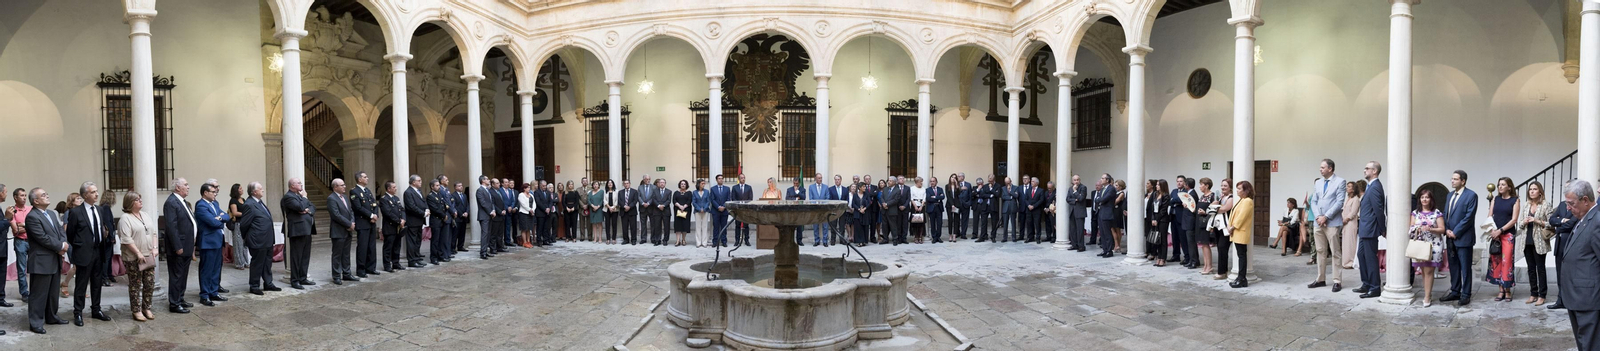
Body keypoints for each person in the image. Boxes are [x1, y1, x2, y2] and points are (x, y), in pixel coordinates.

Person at [1558, 180, 1600, 350]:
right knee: (1584, 343)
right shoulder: (1583, 218)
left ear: (1585, 200)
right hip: (1578, 297)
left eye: (1571, 203)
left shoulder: (1597, 220)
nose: (1568, 208)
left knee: (1591, 345)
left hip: (1588, 299)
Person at [65, 182, 110, 324]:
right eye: (93, 192)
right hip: (83, 252)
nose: (97, 194)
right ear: (85, 195)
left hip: (98, 250)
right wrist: (80, 246)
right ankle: (78, 312)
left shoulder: (99, 210)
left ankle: (96, 309)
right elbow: (70, 234)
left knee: (97, 283)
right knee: (81, 284)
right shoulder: (76, 212)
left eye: (97, 191)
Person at [24, 187, 67, 334]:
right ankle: (35, 322)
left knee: (53, 292)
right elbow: (42, 238)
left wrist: (63, 243)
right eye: (43, 195)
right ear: (35, 201)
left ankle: (52, 316)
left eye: (47, 194)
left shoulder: (51, 214)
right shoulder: (32, 217)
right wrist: (60, 246)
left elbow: (60, 231)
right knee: (39, 294)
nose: (47, 196)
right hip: (41, 261)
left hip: (54, 258)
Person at [116, 191, 156, 321]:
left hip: (148, 255)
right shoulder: (125, 218)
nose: (140, 201)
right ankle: (136, 310)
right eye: (137, 199)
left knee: (149, 283)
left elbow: (153, 232)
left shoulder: (145, 215)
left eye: (140, 199)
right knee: (135, 284)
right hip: (134, 257)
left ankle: (147, 307)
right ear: (130, 203)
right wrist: (138, 253)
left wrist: (155, 248)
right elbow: (126, 239)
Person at [1440, 170, 1478, 305]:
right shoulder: (1450, 195)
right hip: (1450, 237)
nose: (1452, 181)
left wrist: (1455, 232)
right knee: (1453, 266)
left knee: (1465, 267)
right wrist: (1446, 229)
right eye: (1452, 179)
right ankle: (1455, 291)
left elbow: (1469, 217)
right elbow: (1446, 213)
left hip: (1463, 238)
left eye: (1455, 179)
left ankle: (1466, 294)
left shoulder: (1471, 195)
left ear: (1463, 181)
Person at [162, 178, 197, 312]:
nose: (188, 187)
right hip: (179, 247)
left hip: (186, 245)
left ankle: (180, 298)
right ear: (177, 188)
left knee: (183, 275)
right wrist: (177, 246)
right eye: (186, 185)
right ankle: (174, 304)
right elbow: (171, 226)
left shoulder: (182, 202)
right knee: (176, 275)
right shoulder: (171, 202)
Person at [193, 183, 231, 305]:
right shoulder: (201, 205)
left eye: (216, 192)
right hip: (208, 241)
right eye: (213, 192)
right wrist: (219, 219)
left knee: (216, 268)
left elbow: (227, 216)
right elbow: (212, 222)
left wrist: (219, 218)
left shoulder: (215, 203)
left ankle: (214, 292)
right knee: (207, 269)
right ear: (205, 193)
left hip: (217, 240)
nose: (215, 194)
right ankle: (204, 295)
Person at [1519, 181, 1555, 306]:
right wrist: (1524, 221)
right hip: (1526, 241)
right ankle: (1533, 293)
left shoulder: (1545, 205)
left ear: (1540, 191)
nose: (1532, 191)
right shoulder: (1526, 205)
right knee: (1531, 269)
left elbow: (1551, 223)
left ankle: (1542, 295)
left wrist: (1536, 220)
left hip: (1539, 241)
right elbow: (1519, 224)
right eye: (1530, 189)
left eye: (1535, 189)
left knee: (1540, 269)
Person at [1354, 162, 1386, 299]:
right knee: (1361, 256)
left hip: (1370, 229)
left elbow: (1379, 210)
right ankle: (1366, 283)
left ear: (1374, 171)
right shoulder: (1370, 186)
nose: (1364, 170)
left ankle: (1375, 287)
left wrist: (1382, 228)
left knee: (1370, 258)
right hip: (1365, 228)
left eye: (1367, 168)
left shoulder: (1375, 187)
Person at [1409, 190, 1446, 307]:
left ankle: (1427, 297)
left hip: (1434, 244)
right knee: (1424, 271)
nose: (1424, 199)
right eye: (1422, 197)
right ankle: (1427, 293)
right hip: (1420, 245)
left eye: (1427, 197)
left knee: (1429, 271)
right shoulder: (1415, 213)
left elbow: (1442, 229)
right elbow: (1410, 228)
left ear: (1431, 200)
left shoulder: (1437, 213)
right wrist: (1417, 228)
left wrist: (1431, 229)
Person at [1486, 177, 1520, 302]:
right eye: (1499, 184)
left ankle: (1507, 290)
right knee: (1496, 260)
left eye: (1503, 185)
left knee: (1507, 262)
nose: (1500, 187)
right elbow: (1490, 216)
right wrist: (1493, 231)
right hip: (1496, 234)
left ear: (1509, 187)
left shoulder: (1515, 200)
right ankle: (1500, 290)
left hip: (1508, 234)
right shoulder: (1496, 199)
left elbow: (1514, 219)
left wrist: (1501, 230)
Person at [281, 178, 317, 289]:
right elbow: (300, 207)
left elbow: (312, 207)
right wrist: (305, 198)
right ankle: (295, 280)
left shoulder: (299, 196)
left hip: (307, 229)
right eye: (299, 183)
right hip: (297, 230)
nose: (301, 184)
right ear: (292, 186)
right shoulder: (288, 197)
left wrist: (306, 210)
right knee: (296, 256)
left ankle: (303, 277)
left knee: (305, 255)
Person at [1550, 181, 1579, 311]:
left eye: (1569, 187)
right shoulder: (1562, 205)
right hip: (1559, 244)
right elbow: (1551, 219)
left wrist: (1558, 228)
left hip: (1569, 243)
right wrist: (1561, 221)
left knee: (1571, 274)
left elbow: (1573, 223)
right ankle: (1560, 300)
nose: (1566, 189)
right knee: (1559, 273)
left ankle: (1571, 301)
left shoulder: (1577, 205)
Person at [326, 179, 357, 284]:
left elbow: (351, 211)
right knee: (337, 254)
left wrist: (352, 223)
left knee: (346, 254)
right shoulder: (331, 198)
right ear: (335, 187)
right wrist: (348, 224)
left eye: (344, 184)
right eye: (342, 185)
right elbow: (336, 215)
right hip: (338, 231)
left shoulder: (345, 197)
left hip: (348, 230)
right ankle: (336, 276)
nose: (344, 186)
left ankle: (347, 273)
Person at [350, 173, 380, 277]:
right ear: (359, 179)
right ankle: (361, 269)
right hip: (362, 222)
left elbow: (374, 204)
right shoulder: (354, 191)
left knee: (372, 246)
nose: (367, 178)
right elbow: (358, 207)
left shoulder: (367, 191)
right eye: (365, 177)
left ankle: (371, 267)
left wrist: (375, 215)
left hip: (371, 222)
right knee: (363, 247)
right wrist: (371, 215)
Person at [1227, 181, 1256, 289]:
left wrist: (1233, 227)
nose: (1237, 190)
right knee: (1240, 255)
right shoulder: (1242, 200)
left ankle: (1242, 278)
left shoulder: (1248, 201)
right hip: (1236, 231)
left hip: (1240, 231)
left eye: (1239, 188)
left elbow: (1241, 217)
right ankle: (1240, 277)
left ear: (1246, 190)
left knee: (1242, 256)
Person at [10, 188, 33, 303]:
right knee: (22, 269)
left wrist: (22, 225)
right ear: (15, 197)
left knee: (34, 267)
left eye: (25, 195)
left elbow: (35, 226)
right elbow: (15, 230)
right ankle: (24, 293)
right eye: (21, 196)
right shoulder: (12, 211)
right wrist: (26, 226)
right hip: (20, 241)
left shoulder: (31, 209)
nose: (24, 198)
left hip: (33, 241)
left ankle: (34, 291)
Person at [379, 181, 405, 271]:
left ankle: (396, 263)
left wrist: (403, 219)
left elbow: (402, 210)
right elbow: (387, 213)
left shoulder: (396, 198)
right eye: (394, 187)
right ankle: (387, 265)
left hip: (398, 227)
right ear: (388, 189)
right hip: (390, 227)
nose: (396, 189)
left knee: (397, 246)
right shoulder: (384, 199)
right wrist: (398, 221)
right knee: (388, 247)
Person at [426, 179, 453, 265]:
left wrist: (445, 214)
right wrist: (443, 215)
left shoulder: (439, 194)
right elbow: (435, 209)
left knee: (442, 239)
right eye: (437, 185)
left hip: (442, 220)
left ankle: (440, 255)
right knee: (435, 240)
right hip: (436, 220)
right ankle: (433, 257)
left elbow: (444, 205)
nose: (438, 187)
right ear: (432, 187)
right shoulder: (430, 196)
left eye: (438, 185)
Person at [1194, 178, 1218, 275]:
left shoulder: (1212, 196)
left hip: (1207, 223)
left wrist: (1205, 212)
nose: (1200, 186)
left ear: (1207, 185)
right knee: (1203, 245)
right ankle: (1205, 265)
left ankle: (1209, 266)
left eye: (1201, 184)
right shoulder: (1202, 196)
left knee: (1206, 244)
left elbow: (1214, 210)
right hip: (1199, 222)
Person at [402, 175, 427, 268]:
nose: (421, 182)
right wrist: (423, 213)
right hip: (412, 220)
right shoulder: (408, 192)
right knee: (411, 241)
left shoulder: (419, 191)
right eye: (419, 180)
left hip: (419, 220)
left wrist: (427, 209)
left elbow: (424, 202)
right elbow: (411, 207)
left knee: (417, 241)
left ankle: (417, 258)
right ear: (413, 182)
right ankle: (412, 261)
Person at [1213, 179, 1235, 280]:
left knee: (1222, 248)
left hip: (1227, 227)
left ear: (1230, 187)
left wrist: (1214, 208)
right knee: (1220, 249)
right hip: (1219, 226)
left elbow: (1224, 209)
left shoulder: (1231, 198)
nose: (1223, 187)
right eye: (1222, 185)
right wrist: (1217, 201)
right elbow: (1213, 204)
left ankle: (1221, 272)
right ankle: (1223, 270)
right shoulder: (1221, 197)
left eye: (1225, 186)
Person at [1342, 181, 1365, 270]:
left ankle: (1350, 262)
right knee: (1345, 242)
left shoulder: (1356, 199)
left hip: (1350, 222)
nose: (1347, 188)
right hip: (1344, 222)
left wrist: (1346, 219)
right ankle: (1345, 261)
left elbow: (1353, 212)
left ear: (1353, 189)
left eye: (1349, 186)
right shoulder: (1347, 199)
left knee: (1350, 243)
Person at [1148, 180, 1171, 266]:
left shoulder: (1166, 196)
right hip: (1155, 219)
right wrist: (1153, 219)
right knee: (1157, 239)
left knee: (1163, 240)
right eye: (1156, 184)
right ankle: (1158, 257)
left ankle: (1163, 258)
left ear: (1162, 186)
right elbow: (1153, 208)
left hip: (1163, 220)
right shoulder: (1155, 194)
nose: (1156, 186)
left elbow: (1163, 210)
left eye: (1158, 185)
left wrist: (1157, 219)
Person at [1094, 174, 1118, 257]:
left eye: (1103, 178)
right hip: (1101, 212)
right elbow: (1099, 198)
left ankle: (1109, 251)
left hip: (1107, 212)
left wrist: (1098, 200)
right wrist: (1099, 200)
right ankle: (1104, 249)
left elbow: (1103, 199)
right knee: (1102, 233)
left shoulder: (1111, 189)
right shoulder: (1103, 189)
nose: (1101, 179)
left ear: (1107, 180)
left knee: (1107, 232)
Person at [476, 176, 500, 260]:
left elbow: (491, 202)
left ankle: (486, 251)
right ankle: (483, 253)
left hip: (490, 215)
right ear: (483, 181)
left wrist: (493, 210)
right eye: (487, 179)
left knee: (488, 234)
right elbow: (483, 203)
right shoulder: (480, 190)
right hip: (484, 215)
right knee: (485, 234)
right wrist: (490, 211)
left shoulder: (487, 190)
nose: (488, 180)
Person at [1065, 175, 1089, 251]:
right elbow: (1068, 199)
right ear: (1072, 181)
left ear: (1080, 180)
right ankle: (1074, 244)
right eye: (1074, 180)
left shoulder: (1083, 188)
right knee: (1072, 229)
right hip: (1072, 211)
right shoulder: (1070, 188)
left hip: (1080, 211)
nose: (1076, 181)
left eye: (1078, 180)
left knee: (1080, 230)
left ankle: (1081, 246)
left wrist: (1075, 191)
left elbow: (1081, 198)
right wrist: (1075, 200)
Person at [807, 173, 831, 246]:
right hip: (815, 209)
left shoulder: (825, 187)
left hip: (824, 209)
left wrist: (823, 204)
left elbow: (827, 197)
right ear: (815, 179)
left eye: (821, 178)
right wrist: (817, 203)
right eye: (819, 178)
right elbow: (811, 198)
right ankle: (816, 240)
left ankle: (825, 241)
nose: (820, 179)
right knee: (815, 226)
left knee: (825, 226)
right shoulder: (811, 187)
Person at [731, 174, 754, 246]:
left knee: (746, 225)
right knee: (737, 225)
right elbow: (733, 198)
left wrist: (745, 204)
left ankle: (746, 240)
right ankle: (737, 240)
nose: (743, 179)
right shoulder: (735, 188)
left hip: (746, 209)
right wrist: (738, 204)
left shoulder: (748, 187)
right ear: (739, 179)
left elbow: (750, 198)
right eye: (741, 178)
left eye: (744, 178)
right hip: (738, 209)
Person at [617, 178, 639, 245]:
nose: (626, 185)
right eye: (625, 183)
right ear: (623, 184)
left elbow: (635, 201)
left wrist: (629, 206)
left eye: (627, 183)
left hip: (632, 211)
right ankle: (626, 239)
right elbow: (619, 201)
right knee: (624, 227)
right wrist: (624, 206)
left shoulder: (634, 191)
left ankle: (633, 239)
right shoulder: (620, 192)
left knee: (633, 227)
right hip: (624, 211)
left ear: (629, 184)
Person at [711, 175, 731, 247]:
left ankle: (724, 241)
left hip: (724, 211)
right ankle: (715, 241)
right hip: (716, 211)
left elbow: (728, 199)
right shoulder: (713, 189)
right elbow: (712, 199)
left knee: (724, 226)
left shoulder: (727, 189)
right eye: (719, 179)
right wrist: (718, 207)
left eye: (722, 179)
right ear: (716, 180)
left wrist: (723, 206)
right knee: (716, 227)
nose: (721, 180)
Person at [673, 180, 692, 246]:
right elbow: (674, 200)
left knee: (685, 225)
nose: (683, 185)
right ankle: (678, 240)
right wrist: (680, 206)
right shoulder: (676, 193)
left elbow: (689, 200)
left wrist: (684, 207)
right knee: (678, 225)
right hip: (677, 210)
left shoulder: (689, 193)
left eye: (684, 184)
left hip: (686, 210)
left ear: (686, 185)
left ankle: (683, 240)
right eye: (682, 184)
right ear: (679, 185)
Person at [692, 180, 711, 248]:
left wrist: (704, 208)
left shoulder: (706, 192)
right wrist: (699, 209)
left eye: (704, 183)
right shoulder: (694, 192)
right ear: (699, 184)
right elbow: (694, 202)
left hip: (705, 211)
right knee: (698, 226)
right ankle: (698, 242)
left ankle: (704, 242)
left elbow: (708, 201)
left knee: (705, 226)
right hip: (697, 211)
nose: (704, 184)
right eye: (702, 183)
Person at [973, 177, 992, 242]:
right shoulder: (974, 188)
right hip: (976, 205)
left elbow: (985, 195)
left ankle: (984, 234)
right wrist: (978, 189)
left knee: (984, 221)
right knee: (975, 220)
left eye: (981, 184)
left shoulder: (986, 187)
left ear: (983, 183)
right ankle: (974, 234)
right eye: (978, 184)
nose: (980, 185)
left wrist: (979, 195)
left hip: (984, 206)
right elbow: (972, 195)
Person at [927, 177, 946, 244]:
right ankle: (934, 237)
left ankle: (938, 237)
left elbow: (943, 197)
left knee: (939, 223)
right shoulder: (928, 190)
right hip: (932, 208)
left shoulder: (940, 189)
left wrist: (934, 197)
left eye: (933, 181)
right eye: (931, 181)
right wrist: (938, 197)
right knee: (932, 223)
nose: (932, 182)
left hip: (939, 208)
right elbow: (928, 198)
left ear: (936, 182)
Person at [909, 177, 927, 244]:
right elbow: (911, 198)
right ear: (916, 182)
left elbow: (924, 198)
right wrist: (915, 206)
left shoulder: (923, 189)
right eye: (920, 182)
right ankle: (916, 237)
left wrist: (921, 206)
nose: (921, 183)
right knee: (915, 222)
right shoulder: (912, 188)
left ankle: (920, 237)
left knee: (921, 222)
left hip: (921, 206)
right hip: (914, 206)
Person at [1114, 180, 1128, 254]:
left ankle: (1117, 245)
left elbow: (1116, 201)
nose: (1115, 187)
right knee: (1113, 229)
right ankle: (1116, 245)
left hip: (1118, 211)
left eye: (1117, 185)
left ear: (1121, 186)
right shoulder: (1115, 193)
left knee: (1117, 228)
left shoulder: (1122, 193)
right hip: (1114, 211)